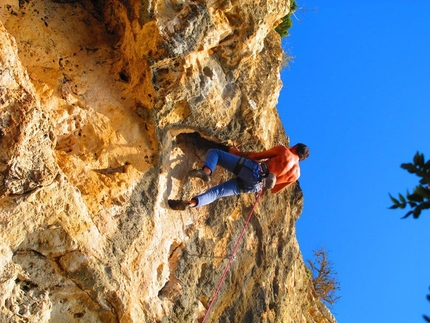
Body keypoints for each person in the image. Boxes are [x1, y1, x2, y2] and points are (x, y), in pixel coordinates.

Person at [168, 143, 309, 210]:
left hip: (254, 170)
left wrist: (237, 152)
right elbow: (274, 190)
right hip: (255, 186)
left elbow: (255, 156)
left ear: (295, 147)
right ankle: (192, 203)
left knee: (215, 152)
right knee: (218, 192)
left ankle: (206, 171)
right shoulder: (296, 175)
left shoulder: (284, 151)